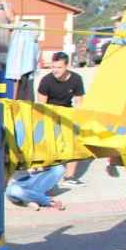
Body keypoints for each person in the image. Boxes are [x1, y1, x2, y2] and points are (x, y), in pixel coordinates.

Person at [38, 51, 86, 184]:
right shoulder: (46, 81)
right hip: (49, 113)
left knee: (76, 141)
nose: (55, 70)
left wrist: (78, 123)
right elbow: (41, 106)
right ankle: (46, 173)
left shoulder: (76, 79)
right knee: (48, 144)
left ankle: (69, 176)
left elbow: (79, 103)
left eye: (59, 67)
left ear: (66, 66)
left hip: (67, 112)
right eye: (53, 67)